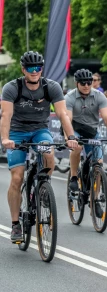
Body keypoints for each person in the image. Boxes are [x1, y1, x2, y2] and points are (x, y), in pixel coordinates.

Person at [1, 51, 78, 242]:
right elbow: (6, 116)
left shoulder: (51, 87)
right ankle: (15, 224)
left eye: (38, 68)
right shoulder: (11, 88)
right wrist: (4, 139)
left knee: (48, 152)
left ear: (42, 69)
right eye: (30, 68)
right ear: (23, 69)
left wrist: (70, 136)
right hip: (17, 132)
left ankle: (43, 184)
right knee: (17, 177)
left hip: (39, 130)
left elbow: (62, 115)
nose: (34, 72)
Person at [66, 69, 107, 194]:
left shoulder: (99, 96)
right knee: (77, 147)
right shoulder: (69, 97)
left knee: (98, 164)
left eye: (89, 82)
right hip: (74, 129)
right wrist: (69, 137)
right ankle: (74, 177)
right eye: (83, 83)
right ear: (76, 83)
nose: (86, 86)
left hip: (91, 131)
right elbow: (68, 119)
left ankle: (95, 199)